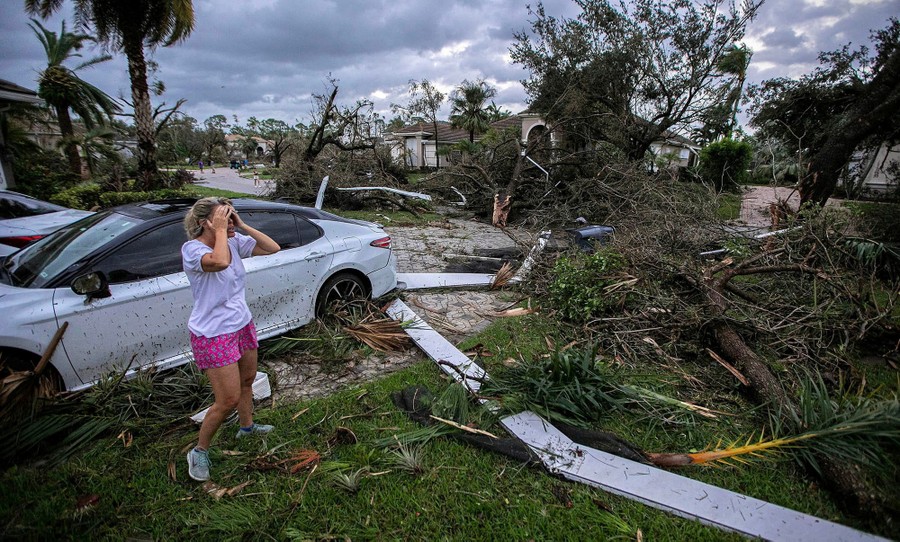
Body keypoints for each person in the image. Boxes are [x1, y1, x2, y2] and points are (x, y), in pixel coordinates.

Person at [182, 197, 280, 482]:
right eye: (222, 217)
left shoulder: (234, 241)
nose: (229, 220)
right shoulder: (192, 249)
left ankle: (246, 427)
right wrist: (223, 231)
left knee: (248, 381)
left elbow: (272, 247)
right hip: (213, 333)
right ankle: (199, 451)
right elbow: (220, 262)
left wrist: (241, 224)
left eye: (229, 215)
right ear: (205, 223)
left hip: (241, 323)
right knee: (227, 399)